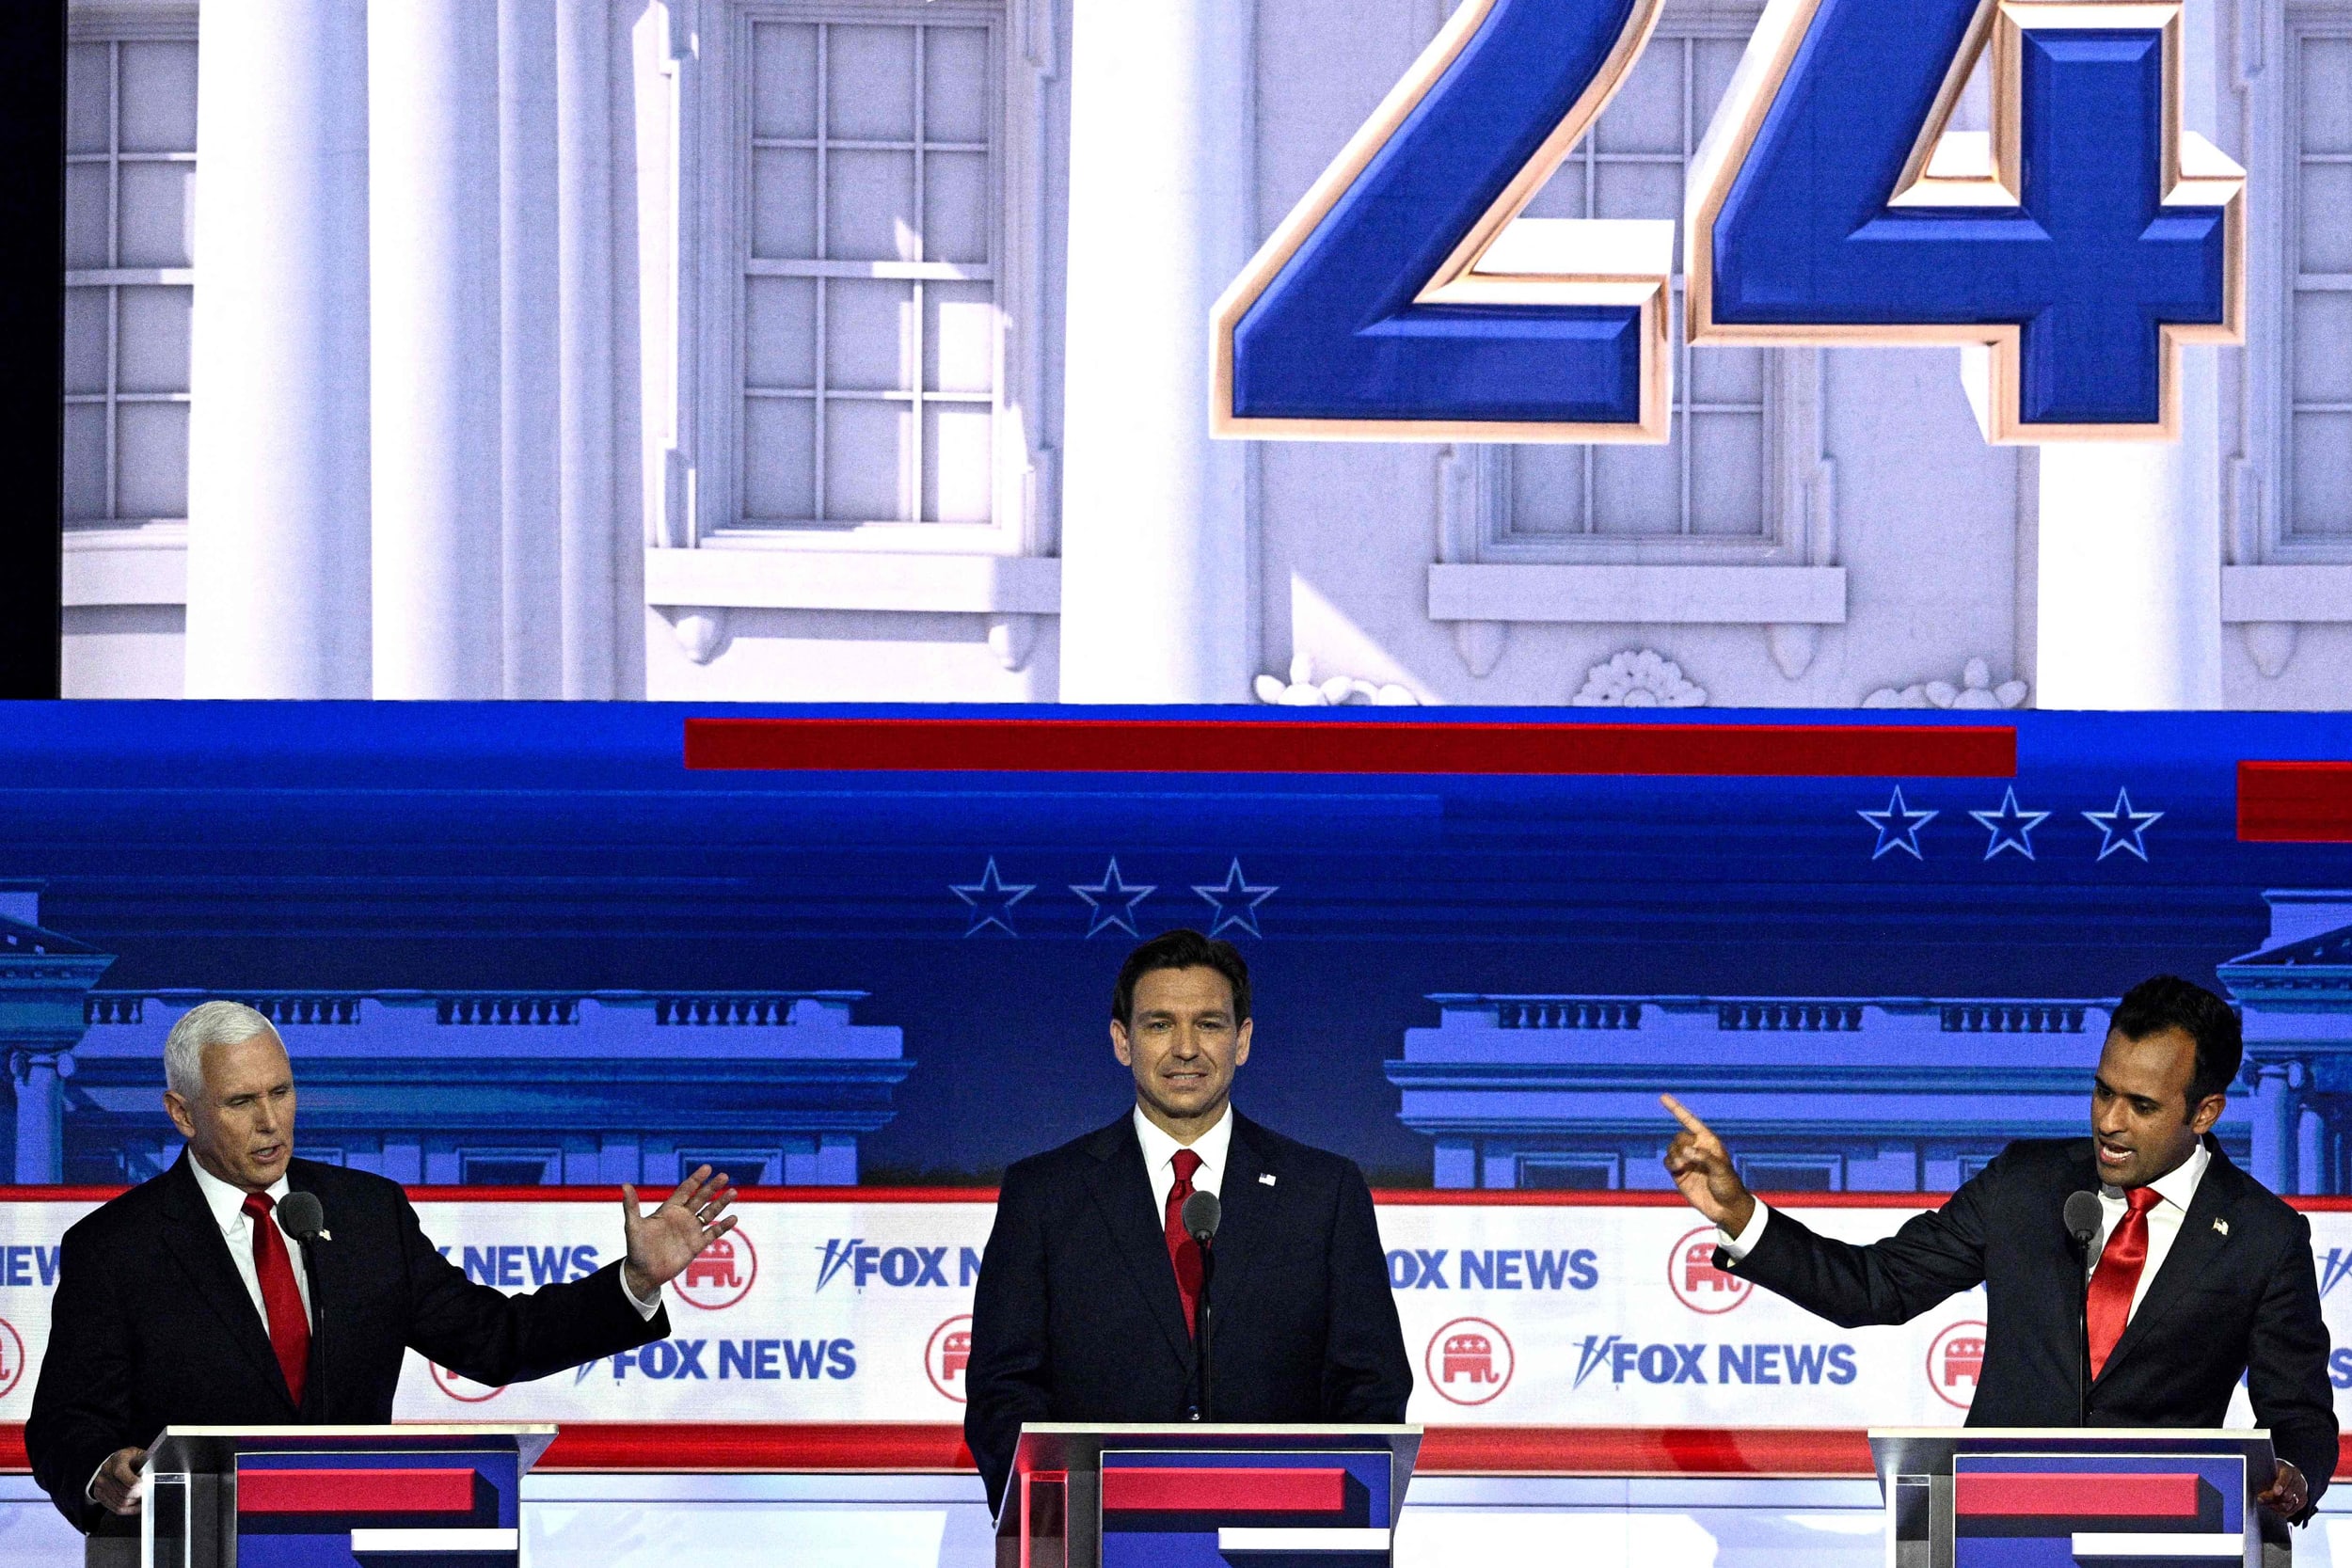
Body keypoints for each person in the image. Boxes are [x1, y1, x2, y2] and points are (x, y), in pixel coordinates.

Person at [27, 1001, 740, 1535]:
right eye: (242, 1102)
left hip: (351, 1543)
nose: (272, 1121)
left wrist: (636, 1281)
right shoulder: (117, 1246)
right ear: (182, 1113)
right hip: (193, 1543)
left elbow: (494, 1338)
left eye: (281, 1091)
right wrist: (103, 1473)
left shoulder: (367, 1214)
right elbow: (66, 1421)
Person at [1661, 974, 2334, 1521]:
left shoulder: (2261, 1235)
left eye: (2141, 1104)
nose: (2109, 1120)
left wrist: (2294, 1479)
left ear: (2205, 1111)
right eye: (2102, 1090)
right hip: (1999, 1530)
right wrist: (1740, 1213)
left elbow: (2300, 1414)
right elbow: (1875, 1284)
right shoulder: (2025, 1184)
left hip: (2161, 1536)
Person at [962, 929, 1413, 1514]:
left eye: (1208, 1023)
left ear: (1242, 1039)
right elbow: (1003, 1391)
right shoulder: (1045, 1194)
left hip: (1279, 1541)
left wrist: (1329, 1518)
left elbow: (1371, 1386)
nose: (1184, 1049)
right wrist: (1063, 1514)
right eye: (1158, 1025)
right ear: (1122, 1041)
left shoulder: (1323, 1192)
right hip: (1098, 1545)